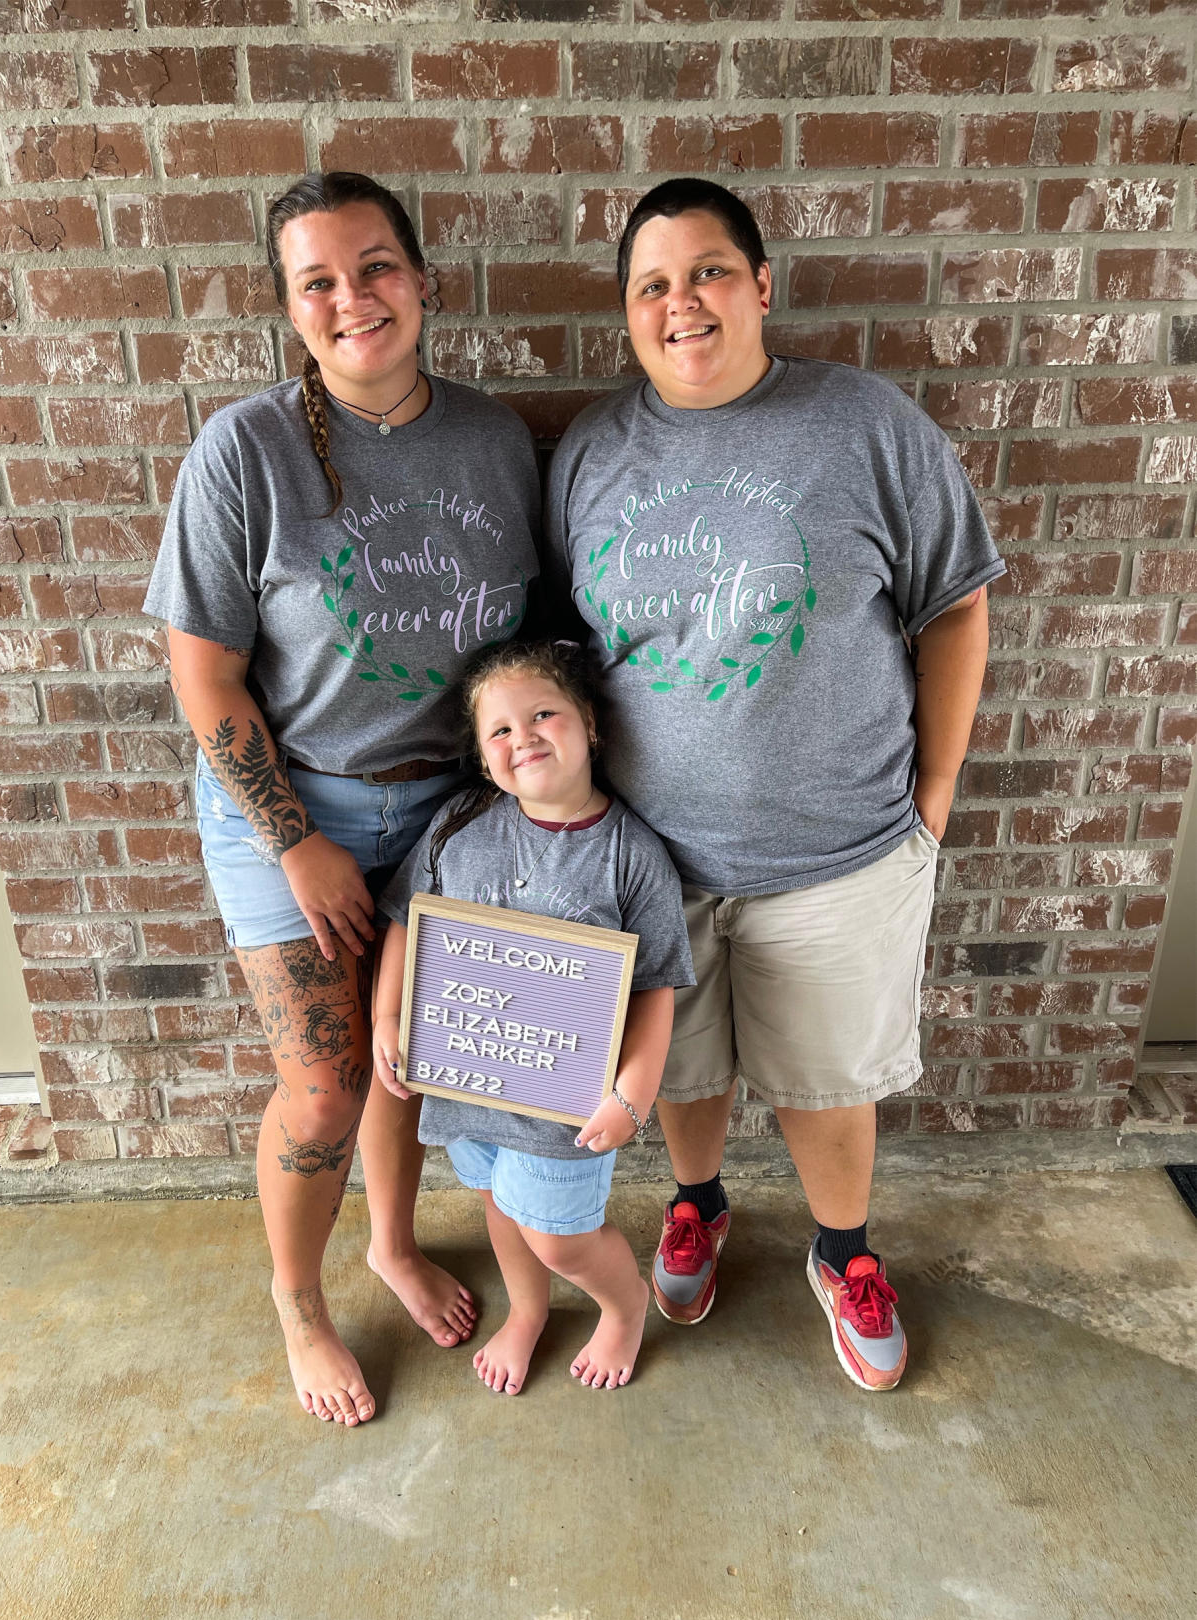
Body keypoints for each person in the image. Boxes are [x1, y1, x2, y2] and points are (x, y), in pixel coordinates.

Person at [545, 177, 1005, 1391]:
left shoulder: (864, 425)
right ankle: (697, 1204)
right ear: (630, 315)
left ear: (760, 285)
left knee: (826, 1085)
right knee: (683, 1072)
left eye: (705, 271)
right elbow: (570, 647)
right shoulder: (591, 449)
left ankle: (843, 1252)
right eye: (652, 285)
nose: (680, 302)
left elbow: (958, 605)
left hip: (841, 848)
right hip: (652, 859)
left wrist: (939, 788)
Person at [143, 172, 542, 1426]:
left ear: (423, 280)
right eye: (317, 280)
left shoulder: (492, 440)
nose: (352, 298)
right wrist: (297, 838)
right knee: (324, 1085)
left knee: (410, 1065)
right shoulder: (244, 451)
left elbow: (527, 636)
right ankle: (300, 1304)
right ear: (291, 309)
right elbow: (202, 675)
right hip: (285, 808)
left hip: (443, 815)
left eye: (374, 267)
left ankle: (394, 1242)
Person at [371, 640, 695, 1394]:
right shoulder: (458, 823)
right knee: (501, 1205)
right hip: (470, 1081)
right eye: (501, 731)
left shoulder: (631, 855)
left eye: (543, 714)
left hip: (566, 1103)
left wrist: (632, 1095)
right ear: (484, 760)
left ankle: (622, 1307)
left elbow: (655, 986)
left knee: (559, 1233)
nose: (525, 737)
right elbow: (407, 919)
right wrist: (389, 1016)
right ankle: (528, 1312)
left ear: (589, 723)